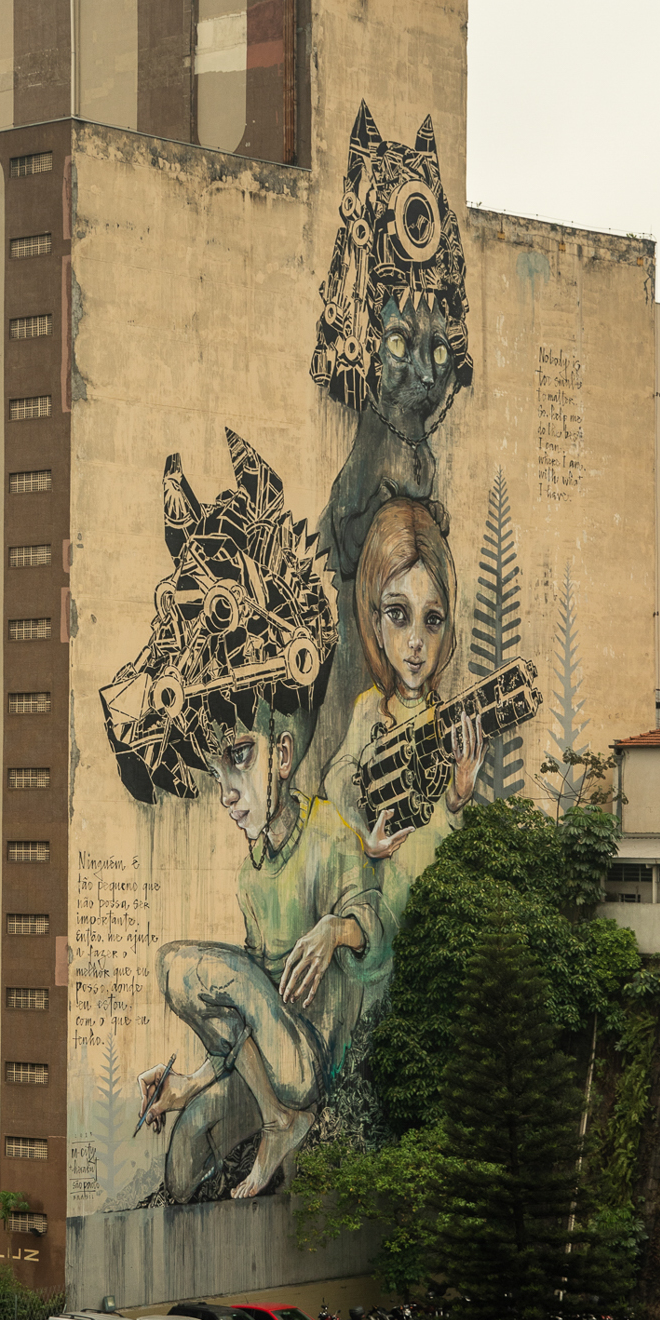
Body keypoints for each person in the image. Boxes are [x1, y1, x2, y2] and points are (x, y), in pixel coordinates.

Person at [138, 695, 390, 1201]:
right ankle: (277, 1120)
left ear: (281, 755)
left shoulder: (331, 833)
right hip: (273, 1066)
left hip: (312, 1062)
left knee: (173, 966)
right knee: (183, 1164)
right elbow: (249, 1002)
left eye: (240, 757)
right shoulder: (250, 876)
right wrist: (189, 1084)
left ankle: (287, 1117)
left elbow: (377, 929)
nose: (228, 794)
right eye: (216, 776)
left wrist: (335, 930)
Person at [323, 498, 483, 930]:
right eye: (398, 615)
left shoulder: (448, 724)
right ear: (375, 622)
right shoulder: (368, 711)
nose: (416, 642)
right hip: (372, 912)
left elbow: (446, 838)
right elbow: (336, 775)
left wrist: (459, 793)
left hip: (428, 916)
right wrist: (365, 830)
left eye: (432, 620)